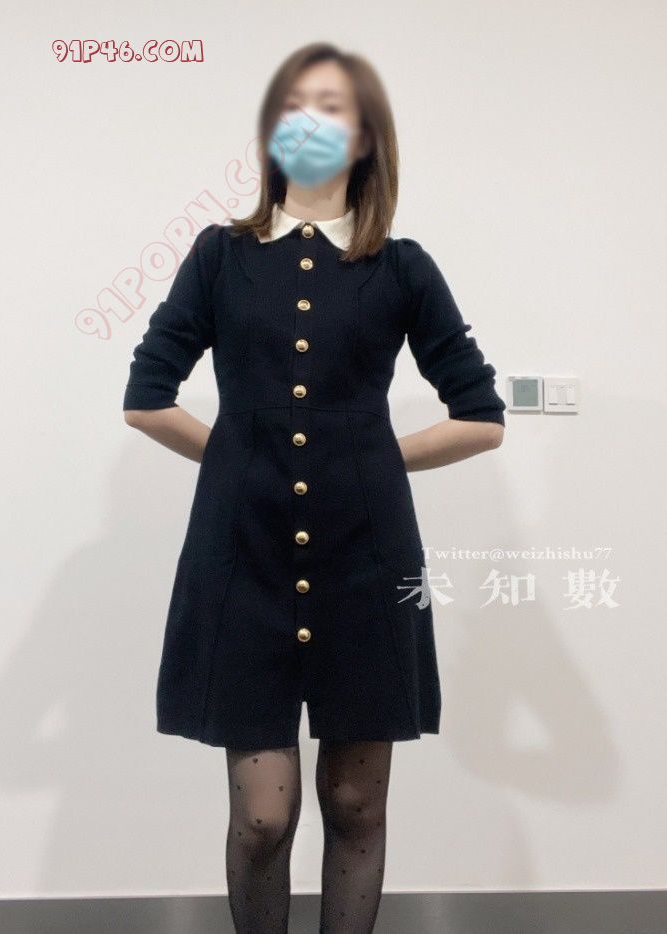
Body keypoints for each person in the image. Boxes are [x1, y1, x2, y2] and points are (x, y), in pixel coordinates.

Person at [123, 41, 505, 934]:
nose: (309, 123)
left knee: (355, 805)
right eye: (294, 106)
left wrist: (370, 458)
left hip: (365, 562)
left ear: (366, 137)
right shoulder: (220, 256)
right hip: (243, 558)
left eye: (332, 107)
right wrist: (240, 455)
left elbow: (481, 416)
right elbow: (146, 398)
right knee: (264, 818)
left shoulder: (401, 267)